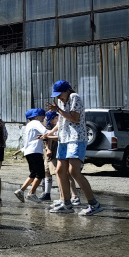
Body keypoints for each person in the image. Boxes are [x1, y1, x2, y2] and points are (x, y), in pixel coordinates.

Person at [43, 80, 103, 216]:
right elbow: (62, 120)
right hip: (64, 138)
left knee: (73, 171)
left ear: (67, 90)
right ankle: (66, 203)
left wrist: (57, 110)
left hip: (76, 138)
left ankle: (94, 204)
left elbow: (74, 118)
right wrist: (50, 133)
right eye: (56, 95)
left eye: (60, 94)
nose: (58, 97)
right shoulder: (60, 102)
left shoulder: (75, 97)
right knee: (59, 170)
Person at [40, 111, 80, 203]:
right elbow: (51, 135)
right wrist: (48, 145)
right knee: (55, 172)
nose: (52, 122)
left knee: (66, 173)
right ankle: (61, 196)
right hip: (59, 150)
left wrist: (48, 138)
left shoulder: (63, 123)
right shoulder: (55, 124)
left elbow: (59, 137)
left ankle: (73, 196)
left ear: (56, 117)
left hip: (65, 149)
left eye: (52, 120)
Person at [13, 109, 47, 203]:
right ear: (36, 117)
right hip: (35, 151)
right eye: (42, 116)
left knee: (33, 174)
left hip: (29, 152)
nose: (44, 118)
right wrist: (57, 131)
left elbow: (28, 141)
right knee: (40, 174)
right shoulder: (36, 122)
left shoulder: (28, 125)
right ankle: (31, 193)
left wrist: (20, 151)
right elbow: (45, 132)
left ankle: (21, 190)